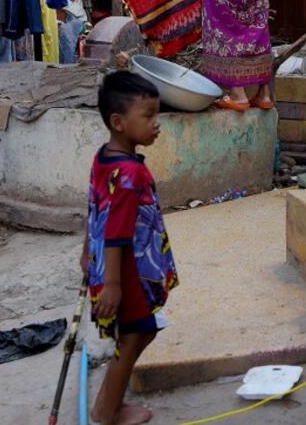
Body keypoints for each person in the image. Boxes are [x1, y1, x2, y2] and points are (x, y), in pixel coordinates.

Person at [82, 71, 179, 425]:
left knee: (140, 331)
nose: (157, 124)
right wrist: (112, 283)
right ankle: (106, 411)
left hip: (114, 265)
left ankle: (109, 403)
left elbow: (94, 207)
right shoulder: (129, 174)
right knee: (137, 332)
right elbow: (118, 231)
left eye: (158, 114)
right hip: (127, 270)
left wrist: (85, 252)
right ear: (118, 122)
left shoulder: (104, 158)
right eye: (149, 116)